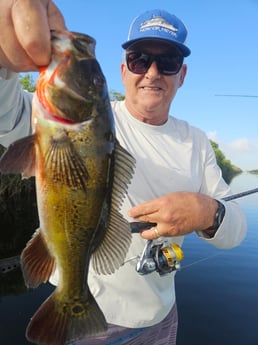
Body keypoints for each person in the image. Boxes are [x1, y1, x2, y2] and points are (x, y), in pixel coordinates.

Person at [0, 2, 247, 345]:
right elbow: (5, 111)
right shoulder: (62, 119)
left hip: (160, 321)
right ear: (122, 71)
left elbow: (235, 229)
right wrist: (4, 64)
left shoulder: (196, 142)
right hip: (90, 327)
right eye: (140, 60)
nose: (152, 72)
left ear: (182, 75)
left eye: (169, 61)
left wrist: (208, 211)